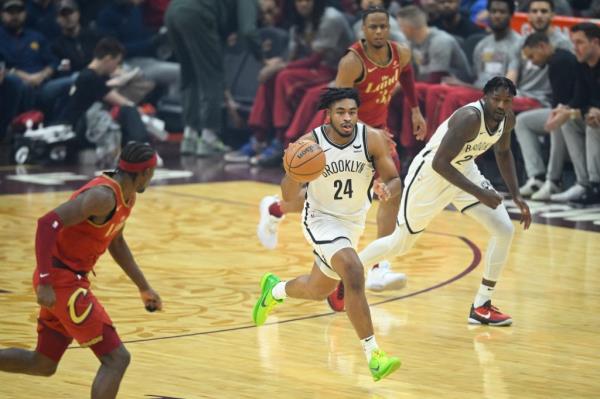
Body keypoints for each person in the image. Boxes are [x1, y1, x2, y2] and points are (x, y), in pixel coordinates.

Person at [257, 6, 425, 311]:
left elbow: (408, 74)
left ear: (388, 28)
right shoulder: (352, 62)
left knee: (389, 196)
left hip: (377, 136)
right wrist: (328, 145)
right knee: (324, 201)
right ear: (363, 30)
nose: (377, 32)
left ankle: (377, 268)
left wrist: (414, 109)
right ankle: (276, 208)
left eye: (382, 27)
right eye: (372, 27)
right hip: (348, 135)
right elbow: (336, 106)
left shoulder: (400, 53)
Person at [252, 87, 402, 381]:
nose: (347, 118)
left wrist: (386, 189)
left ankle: (275, 290)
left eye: (352, 112)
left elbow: (395, 179)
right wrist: (293, 172)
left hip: (353, 223)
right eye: (340, 112)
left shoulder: (371, 138)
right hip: (320, 219)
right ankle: (374, 356)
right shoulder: (309, 145)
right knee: (354, 270)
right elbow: (288, 193)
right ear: (328, 115)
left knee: (317, 289)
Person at [358, 77, 532, 326]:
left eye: (507, 100)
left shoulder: (507, 119)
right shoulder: (470, 118)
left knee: (504, 229)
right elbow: (440, 163)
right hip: (430, 175)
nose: (502, 105)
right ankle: (346, 275)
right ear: (484, 97)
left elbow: (503, 152)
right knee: (400, 243)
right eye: (497, 99)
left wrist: (516, 195)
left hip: (464, 170)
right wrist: (480, 193)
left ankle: (482, 306)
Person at [0, 142, 163, 399]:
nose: (152, 178)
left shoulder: (127, 195)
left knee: (42, 364)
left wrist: (143, 286)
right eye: (152, 172)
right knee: (117, 359)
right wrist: (45, 281)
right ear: (143, 173)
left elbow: (116, 242)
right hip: (62, 282)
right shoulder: (103, 197)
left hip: (66, 281)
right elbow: (47, 224)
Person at [165, 0, 261, 156]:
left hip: (173, 11)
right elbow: (248, 30)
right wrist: (262, 57)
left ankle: (190, 136)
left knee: (190, 75)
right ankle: (209, 138)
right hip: (197, 14)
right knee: (211, 78)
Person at [517, 32, 583, 201]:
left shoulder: (559, 62)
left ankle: (553, 179)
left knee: (557, 121)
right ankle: (537, 177)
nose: (531, 61)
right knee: (522, 121)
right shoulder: (558, 60)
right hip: (567, 109)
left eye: (532, 56)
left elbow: (561, 102)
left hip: (575, 111)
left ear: (542, 46)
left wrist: (557, 114)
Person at [543, 22, 600, 205]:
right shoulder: (581, 64)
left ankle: (596, 185)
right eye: (573, 43)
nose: (574, 48)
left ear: (595, 42)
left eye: (579, 42)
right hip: (594, 116)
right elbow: (580, 99)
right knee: (567, 121)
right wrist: (565, 110)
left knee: (593, 124)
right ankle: (583, 183)